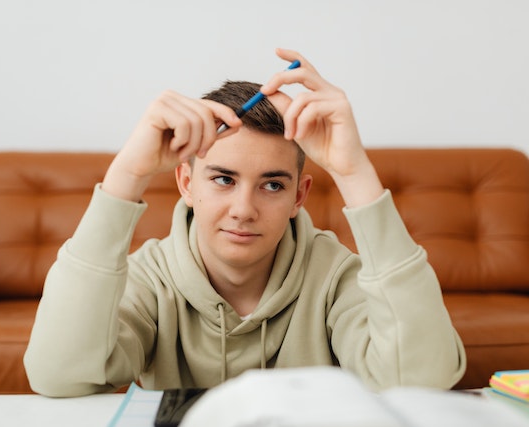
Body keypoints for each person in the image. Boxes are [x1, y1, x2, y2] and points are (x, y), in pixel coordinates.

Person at [23, 48, 466, 397]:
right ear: (186, 182)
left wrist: (354, 174)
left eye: (272, 185)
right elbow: (57, 377)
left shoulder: (333, 274)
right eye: (222, 179)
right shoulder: (149, 278)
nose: (243, 209)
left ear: (300, 196)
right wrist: (127, 176)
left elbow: (422, 381)